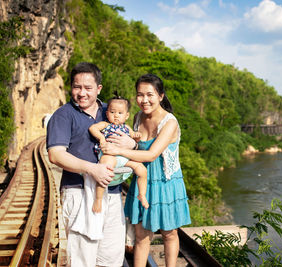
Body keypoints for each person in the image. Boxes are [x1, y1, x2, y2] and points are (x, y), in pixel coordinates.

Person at [101, 73, 191, 267]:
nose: (144, 100)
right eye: (140, 95)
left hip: (166, 181)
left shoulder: (170, 122)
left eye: (150, 94)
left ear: (161, 96)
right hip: (142, 180)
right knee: (141, 235)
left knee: (169, 232)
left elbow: (151, 155)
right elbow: (135, 148)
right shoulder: (137, 117)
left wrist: (118, 149)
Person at [46, 62, 126, 267]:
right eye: (76, 87)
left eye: (88, 88)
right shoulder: (63, 115)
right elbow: (55, 155)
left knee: (112, 259)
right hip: (78, 193)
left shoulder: (112, 111)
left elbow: (133, 137)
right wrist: (93, 169)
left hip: (113, 193)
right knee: (82, 260)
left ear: (99, 88)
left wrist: (130, 143)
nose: (82, 93)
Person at [89, 96, 149, 212]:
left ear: (126, 115)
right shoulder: (105, 125)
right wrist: (101, 138)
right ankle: (99, 199)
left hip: (124, 157)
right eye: (112, 112)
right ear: (107, 113)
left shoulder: (126, 127)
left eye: (120, 113)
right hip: (109, 155)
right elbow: (93, 128)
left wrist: (136, 136)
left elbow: (134, 137)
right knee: (104, 171)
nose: (116, 115)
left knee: (142, 170)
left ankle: (142, 194)